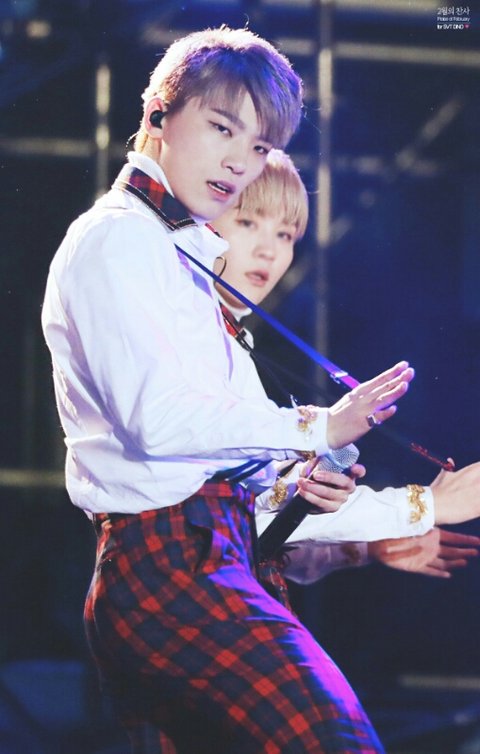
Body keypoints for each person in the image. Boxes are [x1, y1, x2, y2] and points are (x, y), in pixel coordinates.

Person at [42, 26, 419, 754]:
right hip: (171, 571)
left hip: (208, 562)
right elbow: (158, 424)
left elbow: (234, 479)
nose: (240, 161)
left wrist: (332, 496)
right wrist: (319, 428)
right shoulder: (121, 239)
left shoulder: (177, 253)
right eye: (222, 128)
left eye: (259, 146)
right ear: (159, 111)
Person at [211, 148, 480, 588]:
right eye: (247, 223)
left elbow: (256, 525)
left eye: (285, 234)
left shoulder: (231, 338)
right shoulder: (192, 335)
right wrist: (427, 505)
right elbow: (222, 517)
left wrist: (360, 539)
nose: (268, 250)